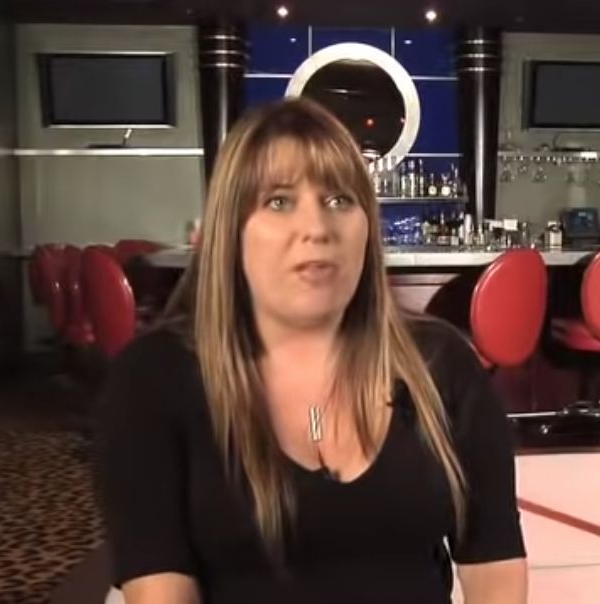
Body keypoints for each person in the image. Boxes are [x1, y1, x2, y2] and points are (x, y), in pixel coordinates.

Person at [94, 98, 528, 604]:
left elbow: (494, 562)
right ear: (230, 231)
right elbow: (161, 588)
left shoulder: (442, 363)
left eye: (340, 200)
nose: (317, 229)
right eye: (279, 201)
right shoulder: (154, 378)